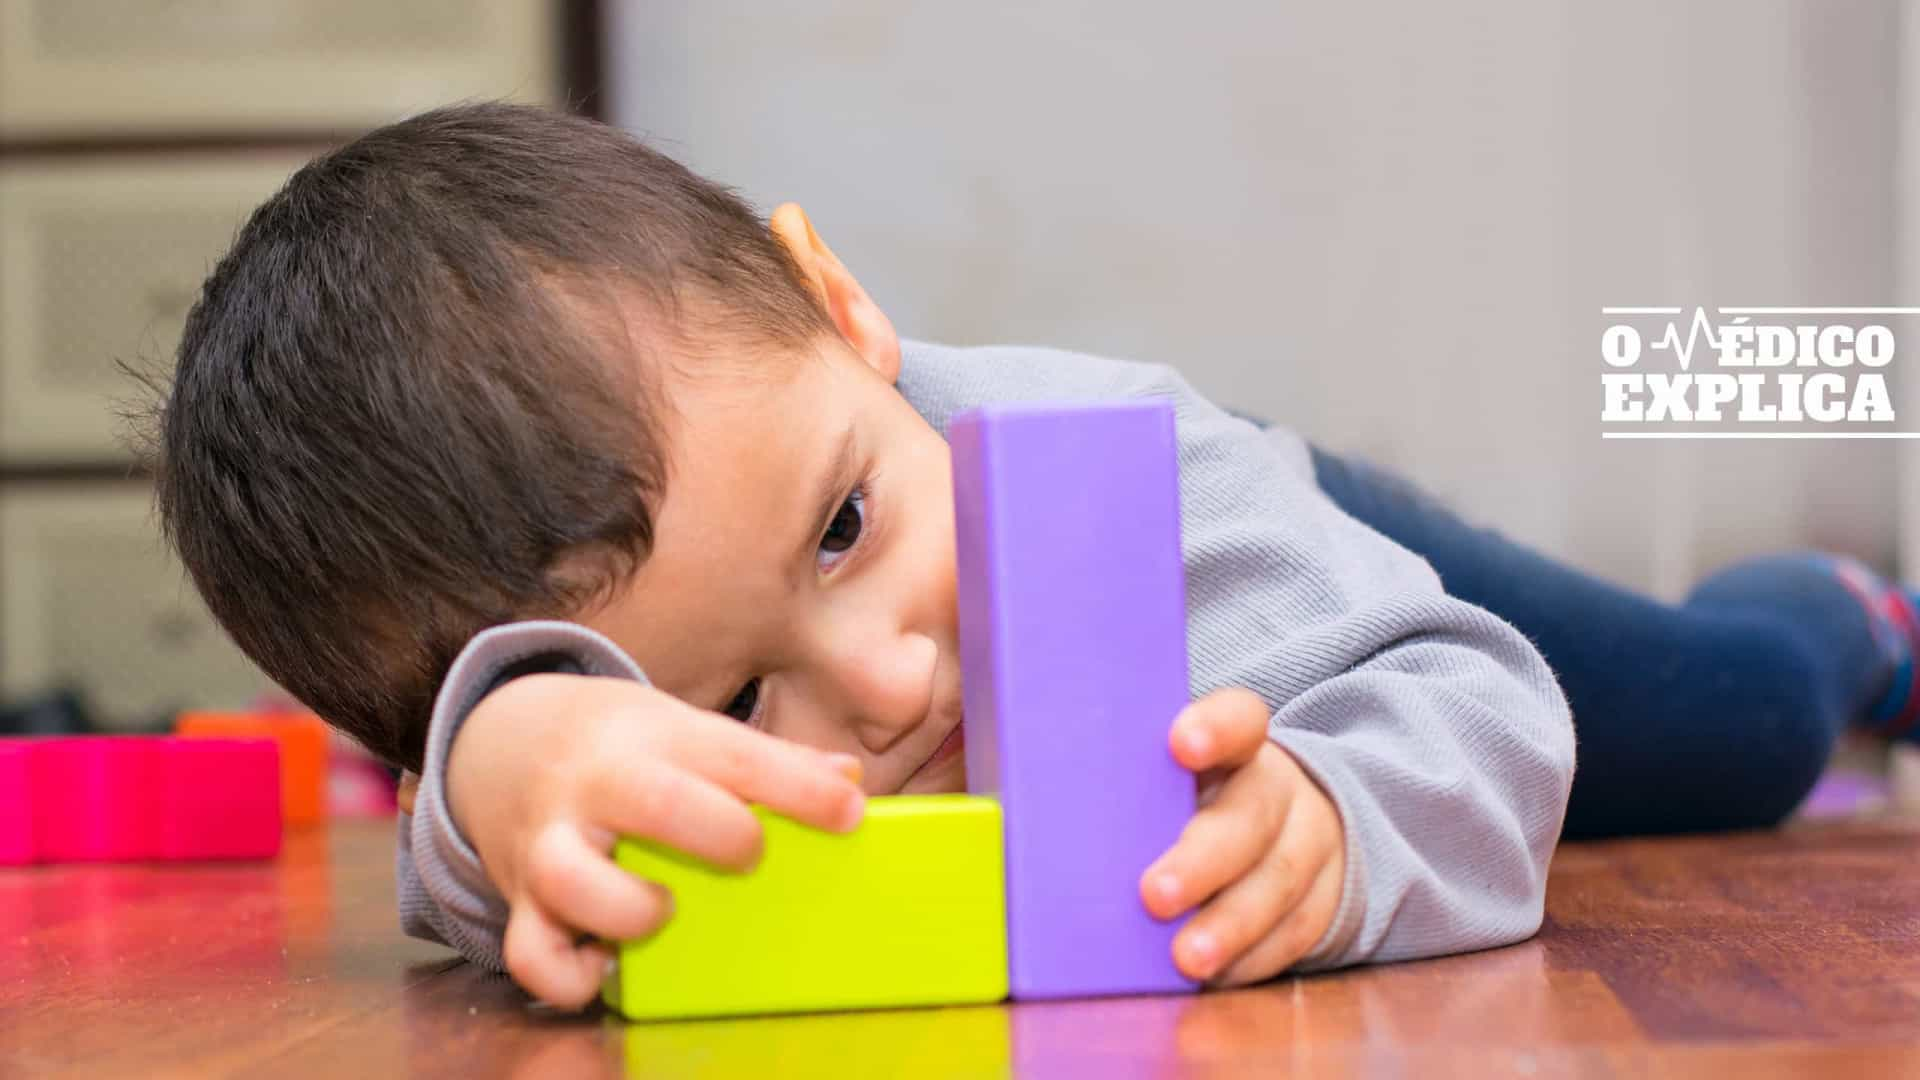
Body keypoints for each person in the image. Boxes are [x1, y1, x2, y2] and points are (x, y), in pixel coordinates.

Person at [140, 104, 1912, 1009]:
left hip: (1322, 577)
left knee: (1731, 723)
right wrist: (513, 755)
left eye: (847, 526)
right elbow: (469, 878)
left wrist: (1338, 822)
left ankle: (1845, 605)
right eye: (736, 693)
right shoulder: (553, 753)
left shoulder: (1154, 490)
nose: (895, 684)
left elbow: (1483, 718)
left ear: (839, 307)